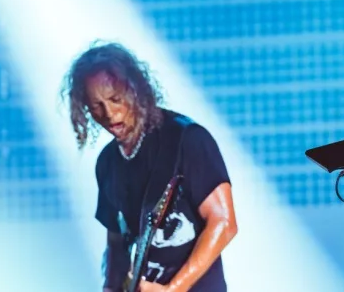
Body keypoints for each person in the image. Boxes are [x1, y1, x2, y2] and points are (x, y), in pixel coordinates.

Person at [62, 43, 237, 292]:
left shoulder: (185, 138)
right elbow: (116, 242)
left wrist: (173, 289)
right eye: (97, 105)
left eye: (115, 99)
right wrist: (110, 287)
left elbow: (224, 222)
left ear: (136, 89)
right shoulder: (108, 162)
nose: (109, 114)